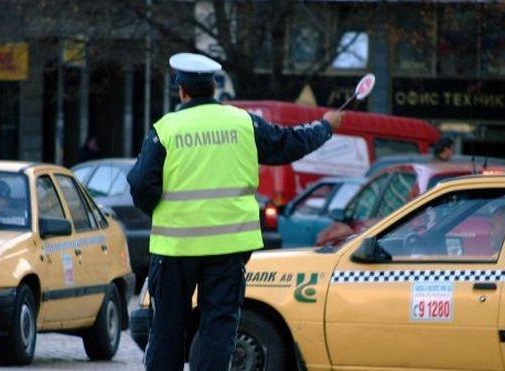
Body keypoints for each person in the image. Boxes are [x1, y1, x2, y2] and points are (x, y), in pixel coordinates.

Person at [127, 52, 344, 371]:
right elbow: (289, 143)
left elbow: (140, 185)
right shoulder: (244, 123)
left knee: (167, 330)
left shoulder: (167, 128)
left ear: (182, 90)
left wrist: (164, 211)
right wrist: (325, 126)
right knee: (218, 328)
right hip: (227, 249)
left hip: (175, 250)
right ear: (213, 88)